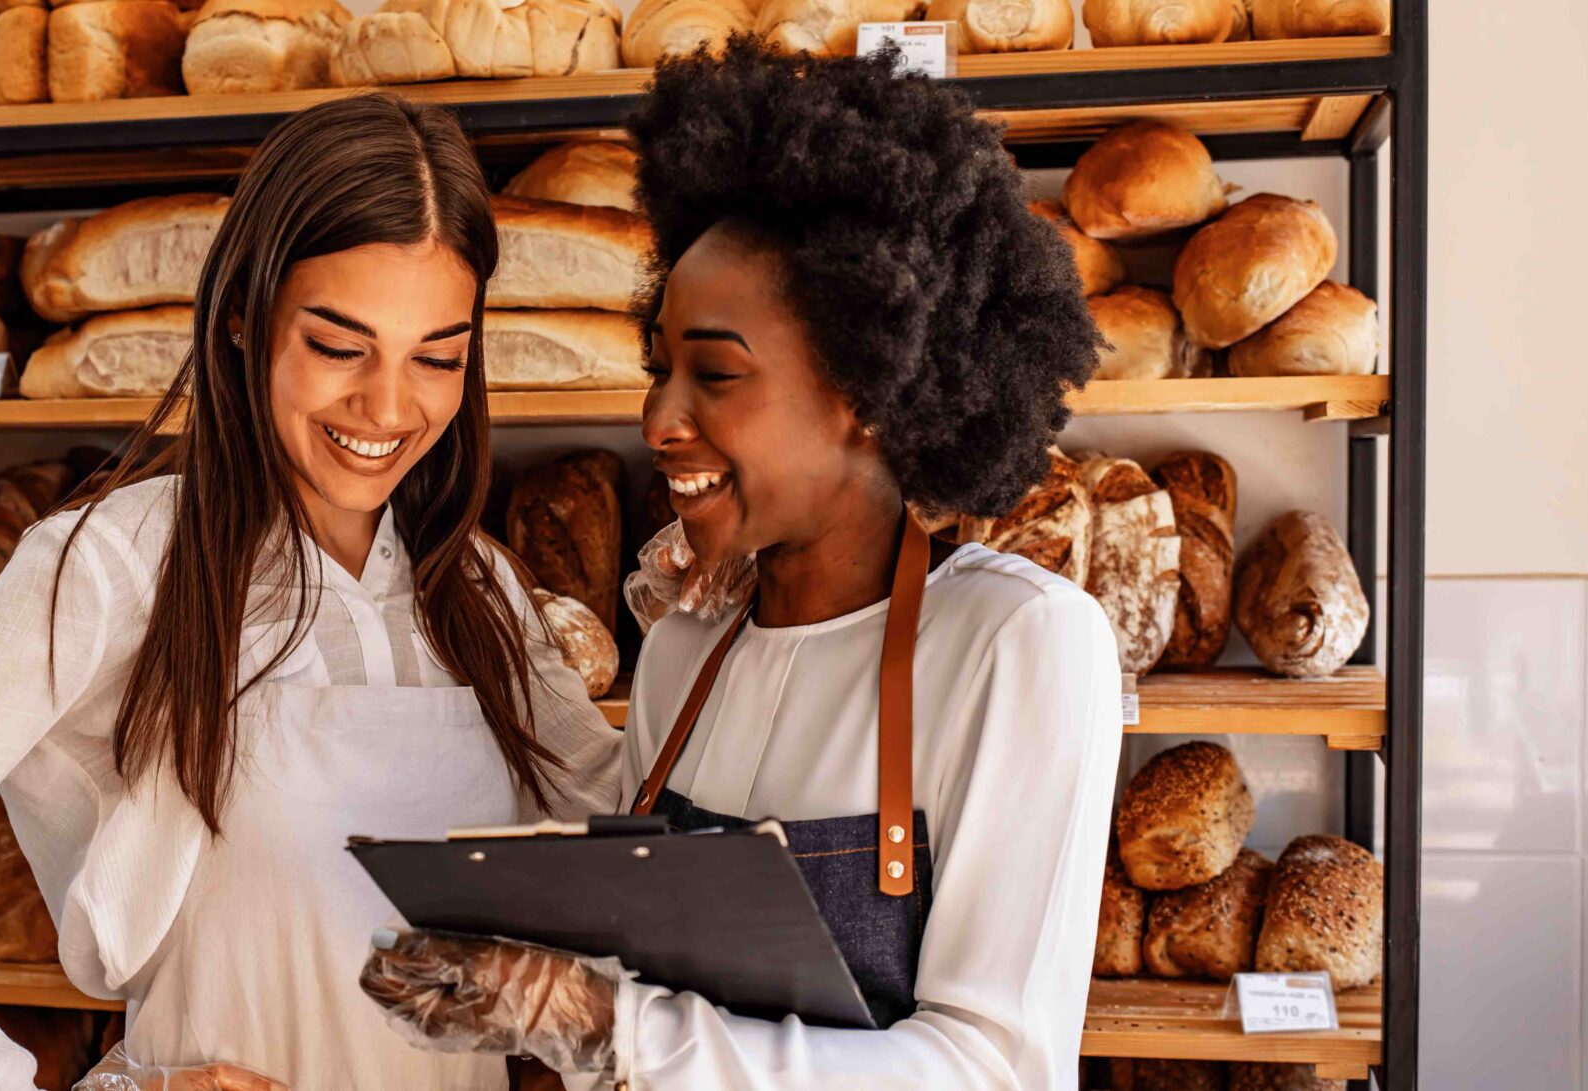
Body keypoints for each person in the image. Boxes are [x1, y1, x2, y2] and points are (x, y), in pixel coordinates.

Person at [0, 93, 622, 1091]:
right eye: (339, 346)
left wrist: (718, 621)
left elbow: (625, 859)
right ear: (245, 323)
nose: (388, 405)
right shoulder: (116, 562)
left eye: (438, 356)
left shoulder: (477, 588)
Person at [362, 40, 1124, 1090]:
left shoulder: (1015, 642)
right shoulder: (680, 653)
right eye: (659, 368)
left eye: (713, 373)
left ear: (866, 386)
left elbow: (992, 1064)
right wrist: (536, 995)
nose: (658, 419)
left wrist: (604, 1025)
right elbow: (628, 1013)